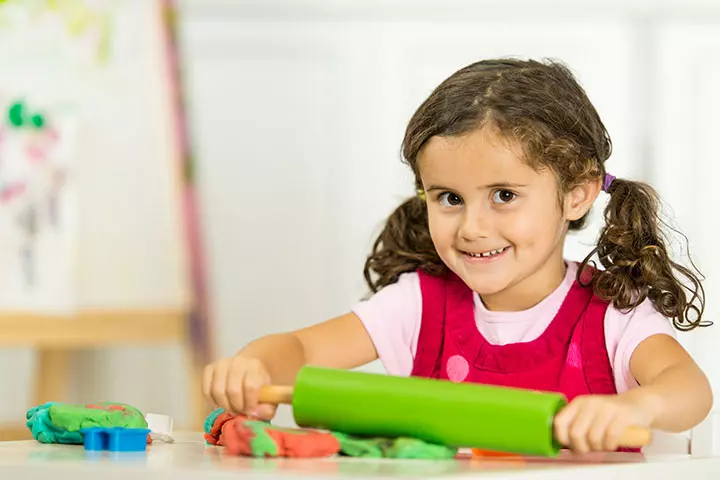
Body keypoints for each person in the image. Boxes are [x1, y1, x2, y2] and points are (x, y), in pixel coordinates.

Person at [203, 58, 712, 453]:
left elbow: (689, 391)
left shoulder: (612, 315)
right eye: (449, 198)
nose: (472, 227)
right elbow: (300, 350)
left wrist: (638, 406)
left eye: (504, 196)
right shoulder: (418, 306)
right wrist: (253, 367)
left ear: (577, 194)